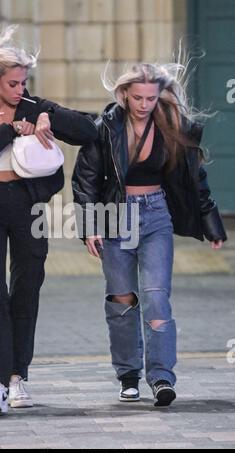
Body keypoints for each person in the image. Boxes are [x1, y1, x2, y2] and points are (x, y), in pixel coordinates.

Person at [0, 25, 98, 415]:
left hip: (27, 206)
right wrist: (10, 129)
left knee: (27, 287)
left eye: (24, 82)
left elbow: (89, 129)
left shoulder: (36, 106)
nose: (20, 89)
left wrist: (49, 117)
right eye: (13, 83)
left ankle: (19, 378)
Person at [72, 62, 227, 407]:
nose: (144, 104)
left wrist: (211, 224)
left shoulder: (172, 126)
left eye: (151, 98)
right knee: (122, 299)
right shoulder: (105, 128)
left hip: (156, 214)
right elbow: (85, 180)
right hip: (115, 217)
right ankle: (128, 376)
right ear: (124, 94)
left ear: (159, 96)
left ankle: (161, 377)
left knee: (157, 297)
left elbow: (194, 178)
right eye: (138, 97)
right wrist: (89, 227)